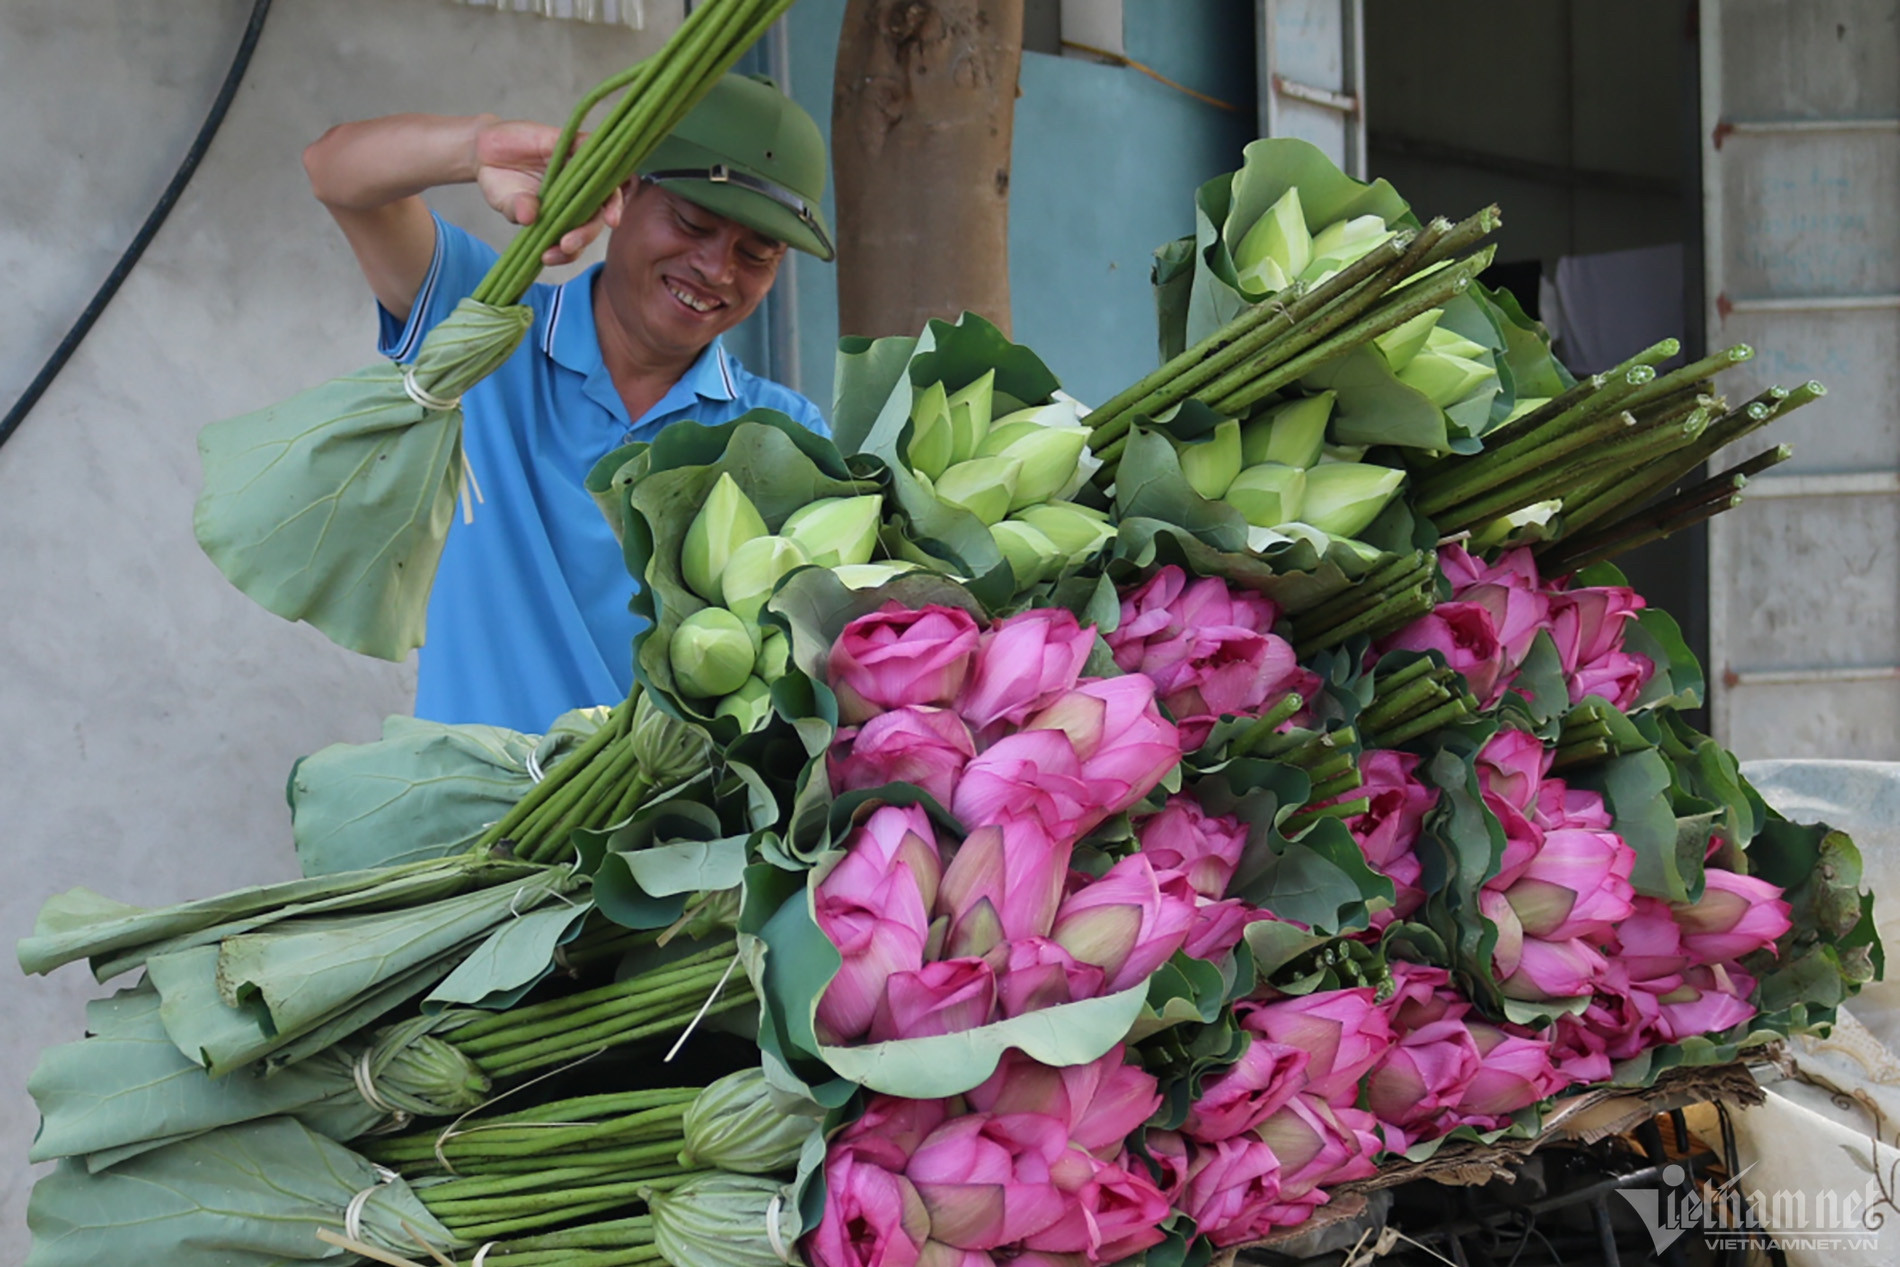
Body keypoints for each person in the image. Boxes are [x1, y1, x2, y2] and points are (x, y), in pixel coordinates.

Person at [302, 74, 833, 733]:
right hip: (472, 820)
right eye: (693, 223)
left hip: (676, 829)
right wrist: (477, 147)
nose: (718, 269)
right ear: (627, 187)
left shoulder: (782, 434)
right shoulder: (483, 327)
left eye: (758, 252)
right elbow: (334, 172)